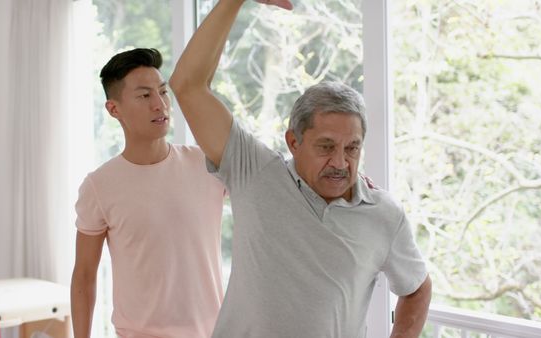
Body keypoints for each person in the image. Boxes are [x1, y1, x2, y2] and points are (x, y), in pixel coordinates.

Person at [169, 1, 432, 337]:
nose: (340, 163)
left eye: (352, 148)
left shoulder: (384, 215)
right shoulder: (256, 173)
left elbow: (417, 287)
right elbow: (188, 85)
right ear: (293, 141)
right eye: (325, 147)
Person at [70, 48, 226, 338]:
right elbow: (84, 275)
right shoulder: (99, 186)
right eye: (145, 95)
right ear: (114, 109)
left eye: (163, 92)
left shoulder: (207, 165)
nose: (160, 104)